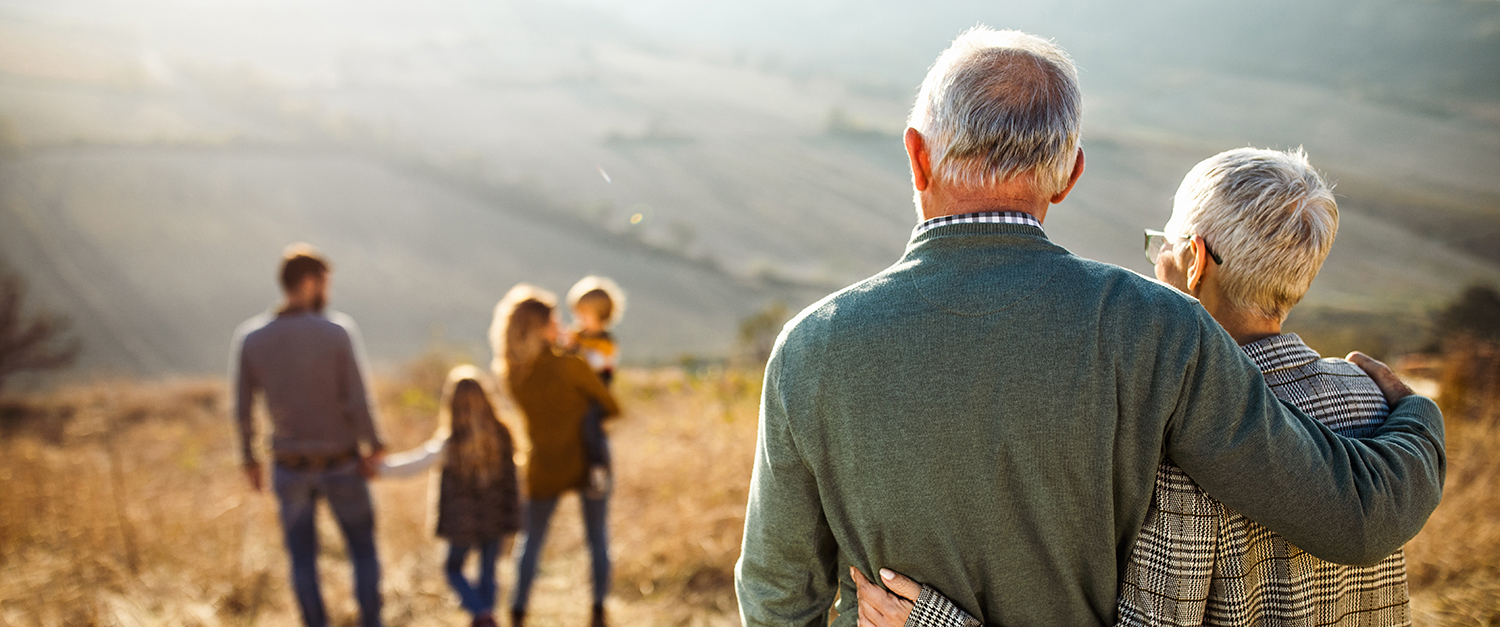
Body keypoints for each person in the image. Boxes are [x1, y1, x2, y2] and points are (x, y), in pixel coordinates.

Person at [732, 27, 1445, 627]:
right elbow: (1345, 512)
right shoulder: (1161, 328)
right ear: (1068, 175)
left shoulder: (811, 346)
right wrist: (1416, 417)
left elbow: (775, 594)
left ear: (917, 155)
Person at [855, 148, 1417, 626]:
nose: (1154, 267)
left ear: (1195, 262)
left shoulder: (1179, 433)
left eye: (1161, 248)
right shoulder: (1373, 400)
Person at [231, 243, 386, 627]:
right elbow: (356, 400)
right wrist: (376, 445)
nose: (327, 292)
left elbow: (242, 408)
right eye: (324, 283)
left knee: (302, 558)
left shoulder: (252, 338)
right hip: (341, 463)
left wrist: (249, 459)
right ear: (310, 281)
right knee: (363, 550)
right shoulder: (336, 332)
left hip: (288, 465)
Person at [490, 284, 622, 627]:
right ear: (542, 326)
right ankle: (597, 609)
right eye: (554, 319)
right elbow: (610, 405)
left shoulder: (513, 374)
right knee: (597, 537)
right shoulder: (570, 366)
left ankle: (517, 610)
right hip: (588, 459)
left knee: (530, 540)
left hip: (543, 463)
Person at [378, 365, 522, 627]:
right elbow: (514, 480)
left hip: (461, 523)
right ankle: (485, 613)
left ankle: (480, 613)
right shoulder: (503, 434)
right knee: (488, 573)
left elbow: (415, 463)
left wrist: (377, 469)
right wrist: (513, 515)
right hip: (495, 518)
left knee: (453, 568)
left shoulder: (451, 441)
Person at [563, 276, 627, 498]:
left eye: (584, 314)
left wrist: (575, 350)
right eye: (577, 313)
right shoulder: (577, 336)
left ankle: (598, 469)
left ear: (601, 315)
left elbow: (596, 364)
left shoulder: (606, 342)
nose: (579, 319)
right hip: (577, 395)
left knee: (590, 426)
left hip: (597, 396)